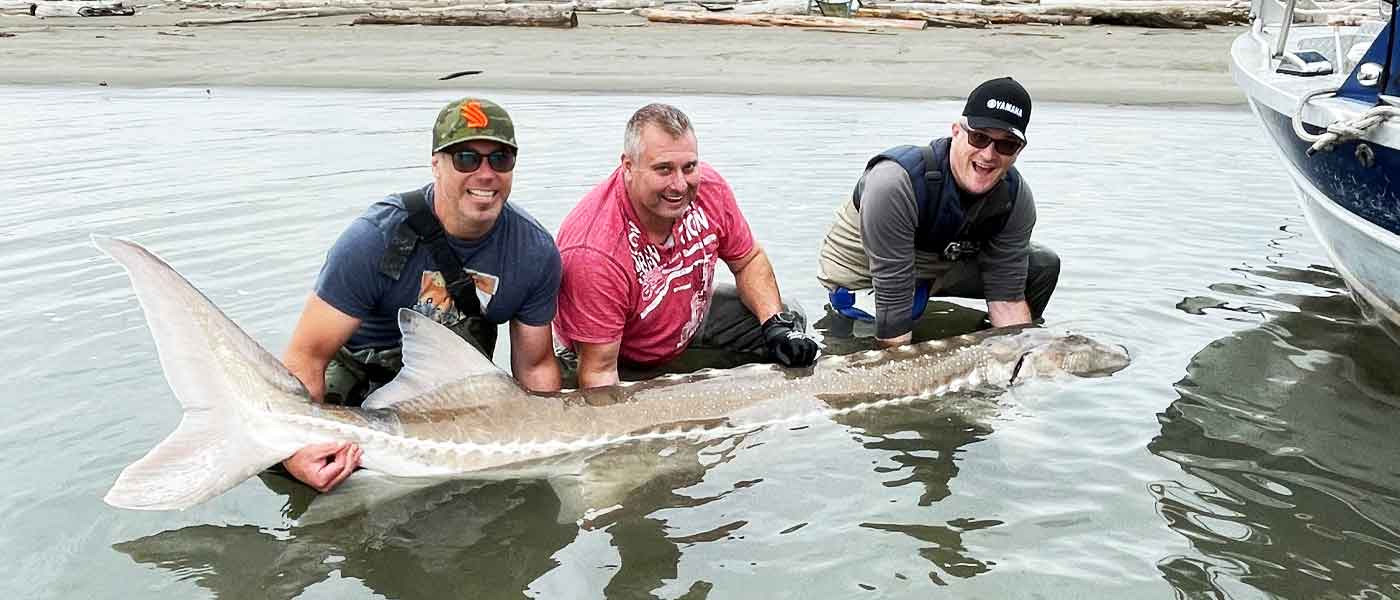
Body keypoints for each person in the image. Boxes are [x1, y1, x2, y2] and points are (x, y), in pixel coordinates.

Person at [279, 97, 562, 492]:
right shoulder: (373, 239)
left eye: (500, 159)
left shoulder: (533, 251)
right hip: (360, 382)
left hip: (455, 385)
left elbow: (535, 367)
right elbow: (304, 359)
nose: (486, 174)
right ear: (435, 164)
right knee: (288, 470)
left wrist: (550, 451)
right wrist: (294, 452)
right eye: (466, 158)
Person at [553, 103, 820, 388]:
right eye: (664, 169)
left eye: (689, 167)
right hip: (614, 356)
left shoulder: (709, 188)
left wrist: (775, 325)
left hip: (687, 319)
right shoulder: (594, 252)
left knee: (789, 317)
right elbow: (599, 375)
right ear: (628, 167)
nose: (680, 185)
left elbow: (748, 260)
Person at [817, 77, 1060, 348]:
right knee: (872, 346)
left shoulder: (1016, 197)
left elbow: (1008, 298)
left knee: (1042, 265)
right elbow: (893, 294)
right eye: (979, 137)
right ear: (956, 131)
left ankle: (984, 355)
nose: (989, 154)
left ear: (1019, 150)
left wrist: (1020, 356)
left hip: (937, 266)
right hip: (867, 274)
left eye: (1006, 145)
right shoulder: (895, 181)